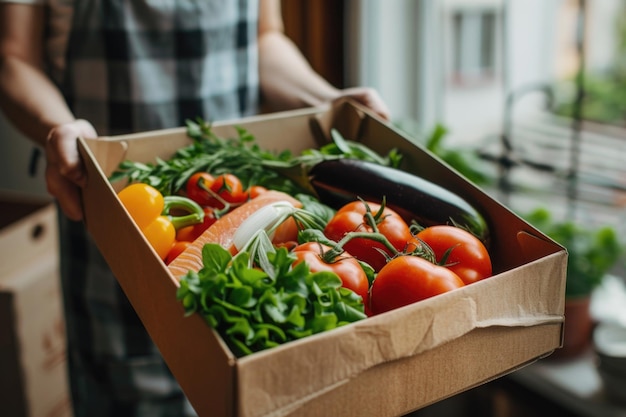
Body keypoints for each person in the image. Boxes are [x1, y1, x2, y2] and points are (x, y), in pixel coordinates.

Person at [0, 1, 389, 416]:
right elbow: (14, 58)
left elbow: (263, 39)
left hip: (236, 216)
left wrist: (328, 99)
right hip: (113, 227)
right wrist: (61, 129)